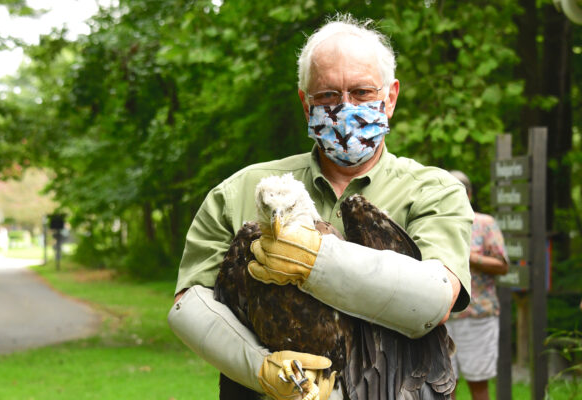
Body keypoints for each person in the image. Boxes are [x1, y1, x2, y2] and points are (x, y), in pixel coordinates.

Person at [168, 14, 474, 400]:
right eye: (328, 95)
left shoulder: (433, 190)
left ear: (390, 97)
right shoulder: (242, 191)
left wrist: (316, 261)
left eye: (362, 92)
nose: (345, 108)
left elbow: (434, 300)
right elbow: (189, 303)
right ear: (304, 102)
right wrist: (261, 370)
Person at [445, 170, 509, 400]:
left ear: (469, 194)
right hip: (441, 317)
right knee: (443, 385)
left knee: (478, 383)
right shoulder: (434, 223)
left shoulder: (484, 224)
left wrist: (471, 258)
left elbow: (503, 265)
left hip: (478, 316)